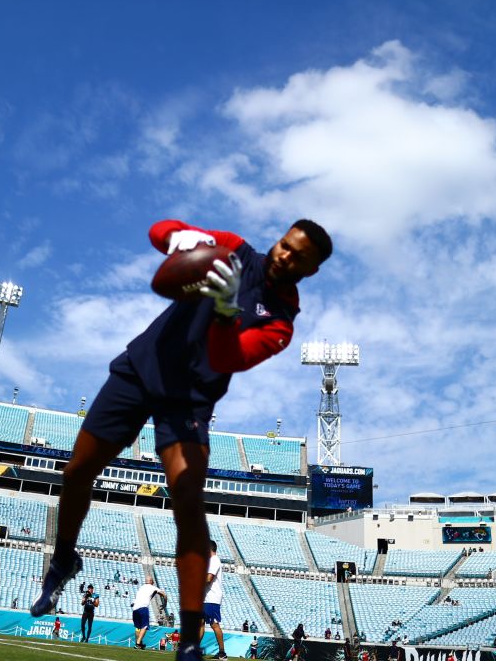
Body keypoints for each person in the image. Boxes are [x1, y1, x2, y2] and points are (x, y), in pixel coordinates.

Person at [29, 218, 333, 661]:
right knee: (78, 471)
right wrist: (177, 239)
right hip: (143, 368)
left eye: (297, 256)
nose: (284, 255)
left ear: (311, 270)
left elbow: (231, 357)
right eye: (285, 245)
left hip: (190, 398)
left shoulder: (280, 324)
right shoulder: (235, 252)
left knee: (187, 499)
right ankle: (62, 560)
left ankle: (189, 640)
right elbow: (158, 230)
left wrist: (226, 311)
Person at [202, 541, 228, 660]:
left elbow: (208, 578)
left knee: (214, 624)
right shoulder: (210, 561)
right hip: (206, 598)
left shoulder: (214, 560)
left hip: (212, 598)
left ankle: (222, 653)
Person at [132, 576, 168, 650]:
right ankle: (138, 643)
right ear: (151, 581)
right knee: (144, 626)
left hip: (135, 608)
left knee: (138, 627)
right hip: (143, 607)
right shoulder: (152, 587)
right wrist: (165, 604)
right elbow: (164, 594)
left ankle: (139, 643)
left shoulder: (141, 587)